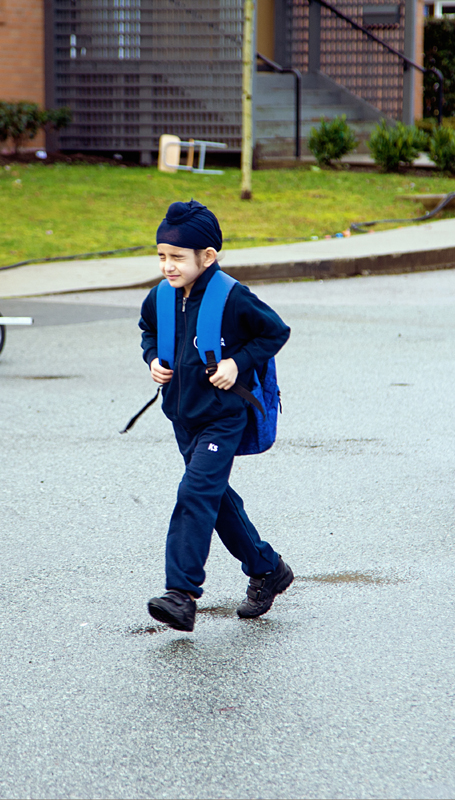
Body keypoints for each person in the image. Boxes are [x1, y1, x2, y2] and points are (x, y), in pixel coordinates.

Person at [139, 200, 292, 632]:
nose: (168, 266)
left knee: (194, 494)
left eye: (176, 258)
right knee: (214, 497)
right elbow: (148, 331)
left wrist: (237, 363)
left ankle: (181, 594)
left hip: (224, 417)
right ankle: (267, 567)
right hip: (182, 417)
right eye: (161, 256)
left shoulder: (234, 297)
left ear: (207, 257)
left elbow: (275, 331)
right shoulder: (159, 297)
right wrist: (153, 358)